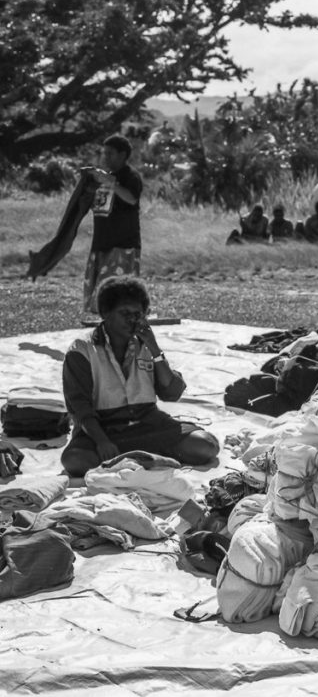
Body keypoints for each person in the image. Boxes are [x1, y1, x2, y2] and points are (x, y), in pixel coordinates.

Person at [61, 276, 220, 477]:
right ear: (106, 314)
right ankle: (150, 460)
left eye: (138, 314)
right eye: (124, 313)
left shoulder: (146, 345)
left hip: (150, 425)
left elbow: (171, 393)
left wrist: (155, 349)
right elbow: (79, 406)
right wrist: (101, 440)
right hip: (104, 429)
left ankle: (129, 461)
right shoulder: (82, 350)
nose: (132, 320)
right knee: (74, 461)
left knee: (206, 445)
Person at [81, 135, 144, 315]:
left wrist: (110, 182)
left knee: (117, 295)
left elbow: (131, 198)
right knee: (101, 295)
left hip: (123, 245)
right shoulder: (107, 178)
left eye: (110, 154)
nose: (105, 158)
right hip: (102, 243)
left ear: (122, 155)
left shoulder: (130, 176)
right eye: (104, 154)